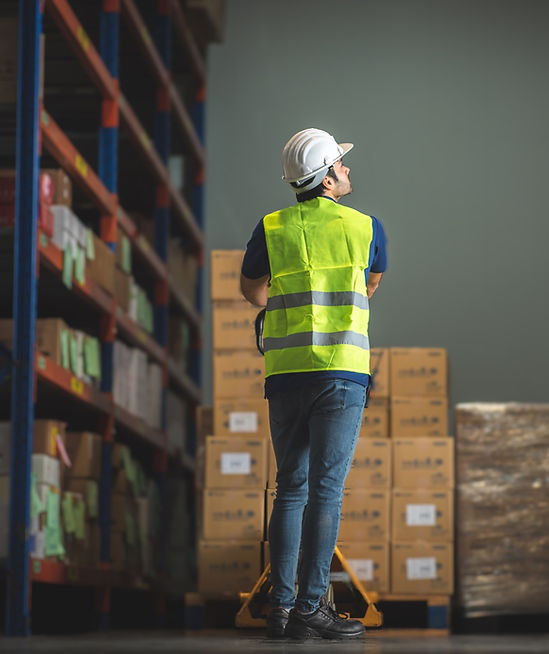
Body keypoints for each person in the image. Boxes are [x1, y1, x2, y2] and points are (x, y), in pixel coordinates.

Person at [239, 128, 387, 640]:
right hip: (342, 374)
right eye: (341, 167)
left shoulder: (272, 226)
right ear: (326, 179)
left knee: (290, 490)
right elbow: (371, 284)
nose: (347, 172)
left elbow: (251, 291)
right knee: (326, 491)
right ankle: (310, 607)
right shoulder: (365, 227)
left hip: (286, 374)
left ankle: (280, 609)